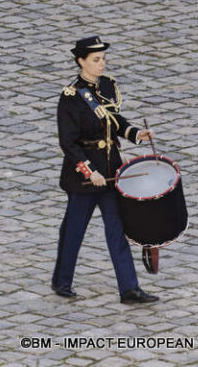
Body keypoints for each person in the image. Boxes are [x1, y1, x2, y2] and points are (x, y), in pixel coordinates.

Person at [52, 36, 159, 304]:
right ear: (81, 61)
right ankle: (62, 280)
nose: (102, 64)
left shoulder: (107, 86)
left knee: (117, 229)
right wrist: (90, 172)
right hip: (85, 179)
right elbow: (68, 143)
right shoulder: (71, 98)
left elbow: (116, 122)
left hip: (112, 170)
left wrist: (136, 134)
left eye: (103, 59)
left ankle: (129, 289)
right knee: (74, 230)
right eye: (96, 60)